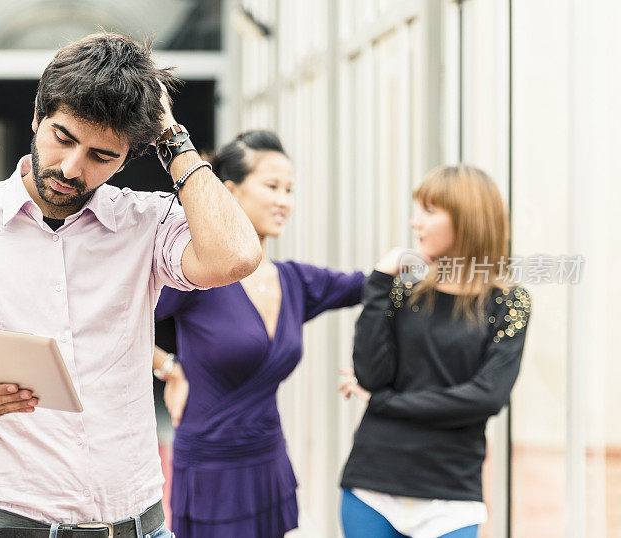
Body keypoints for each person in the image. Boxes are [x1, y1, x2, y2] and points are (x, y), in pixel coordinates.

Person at [0, 33, 262, 538]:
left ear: (129, 156)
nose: (71, 168)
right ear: (37, 118)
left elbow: (237, 255)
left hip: (134, 524)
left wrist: (174, 139)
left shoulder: (147, 223)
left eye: (101, 155)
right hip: (5, 524)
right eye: (62, 138)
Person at [152, 130, 366, 538]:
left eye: (289, 189)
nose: (285, 200)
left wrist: (432, 264)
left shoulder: (295, 282)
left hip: (269, 460)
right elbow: (120, 321)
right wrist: (170, 367)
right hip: (210, 468)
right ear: (229, 191)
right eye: (272, 186)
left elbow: (369, 285)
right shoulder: (199, 276)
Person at [338, 165, 531, 538]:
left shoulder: (509, 301)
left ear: (467, 218)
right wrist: (379, 279)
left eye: (429, 211)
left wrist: (385, 403)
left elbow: (486, 397)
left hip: (451, 495)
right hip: (373, 483)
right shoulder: (403, 288)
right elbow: (372, 375)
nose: (415, 223)